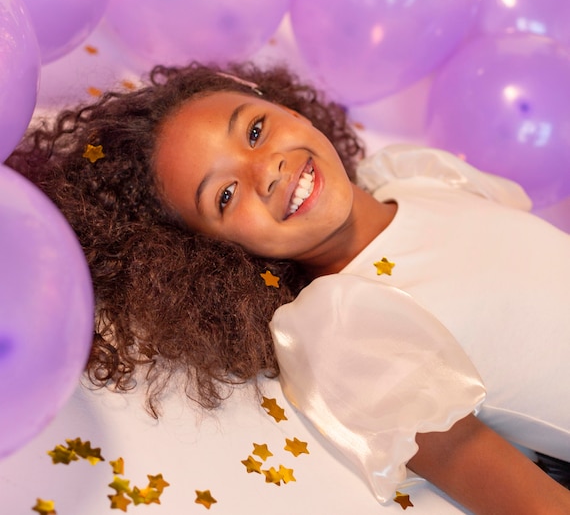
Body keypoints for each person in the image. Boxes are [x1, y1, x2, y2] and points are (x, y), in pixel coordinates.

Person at [7, 61, 570, 514]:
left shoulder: (417, 173)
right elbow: (507, 485)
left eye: (254, 130)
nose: (266, 170)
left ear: (276, 101)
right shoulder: (351, 322)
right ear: (213, 253)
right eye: (225, 197)